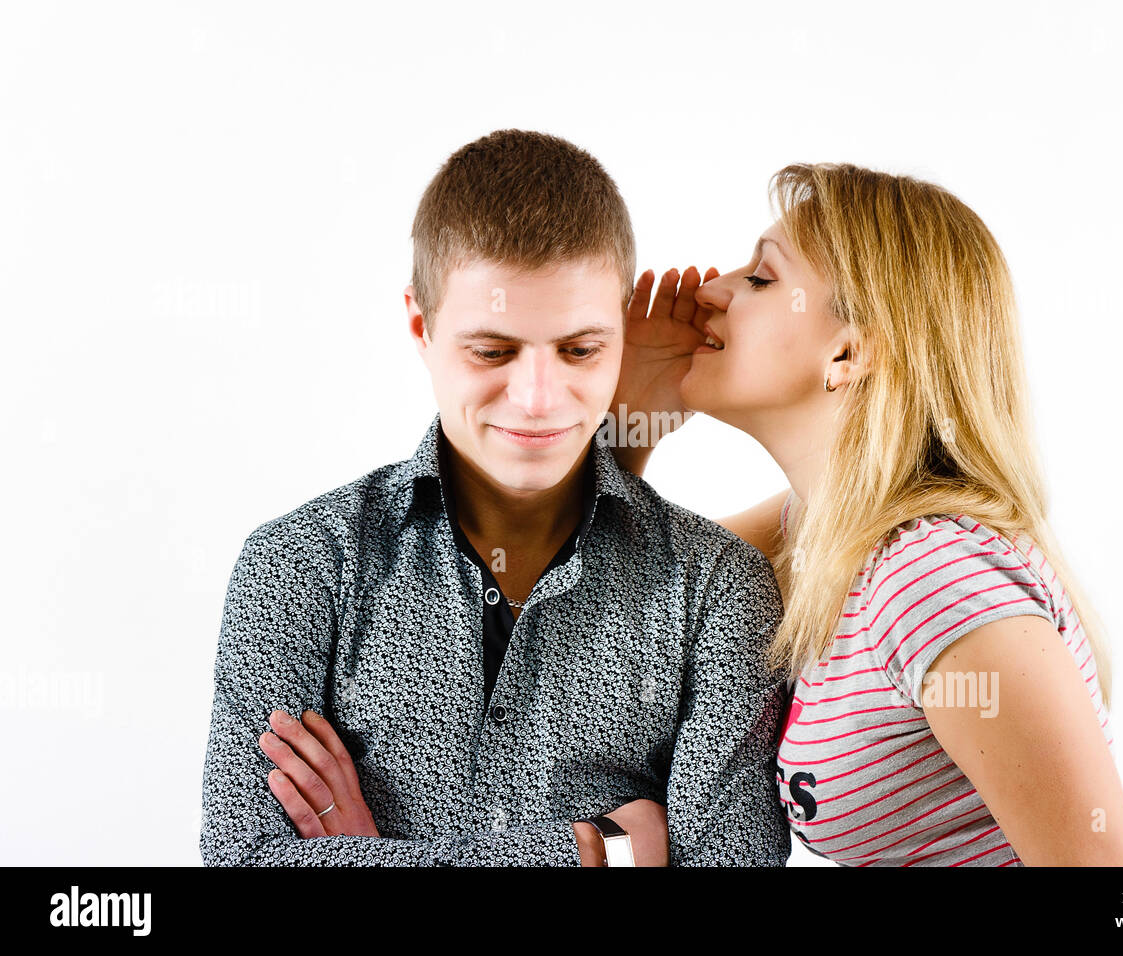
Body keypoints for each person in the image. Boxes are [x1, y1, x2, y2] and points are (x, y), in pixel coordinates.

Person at [198, 129, 791, 866]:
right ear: (422, 326)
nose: (538, 400)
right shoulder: (300, 564)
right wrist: (596, 851)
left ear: (619, 332)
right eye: (493, 351)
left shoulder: (717, 588)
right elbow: (245, 860)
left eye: (581, 350)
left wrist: (370, 858)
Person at [613, 162, 1123, 866]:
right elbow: (603, 637)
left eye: (761, 278)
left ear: (848, 350)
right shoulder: (812, 533)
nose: (710, 289)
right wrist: (624, 424)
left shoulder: (932, 578)